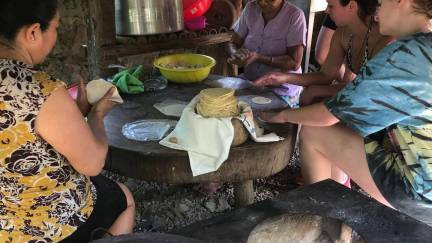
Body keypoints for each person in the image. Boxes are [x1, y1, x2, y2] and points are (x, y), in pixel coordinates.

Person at [258, 0, 432, 225]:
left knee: (313, 132)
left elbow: (329, 115)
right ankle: (338, 207)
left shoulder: (406, 55)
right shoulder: (424, 46)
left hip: (421, 191)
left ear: (400, 2)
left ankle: (324, 222)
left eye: (380, 2)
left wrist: (279, 116)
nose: (376, 11)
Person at [0, 0, 135, 241]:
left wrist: (72, 115)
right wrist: (96, 116)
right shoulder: (39, 89)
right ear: (33, 32)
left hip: (4, 219)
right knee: (124, 197)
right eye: (55, 28)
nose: (56, 35)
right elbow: (92, 164)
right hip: (45, 227)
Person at [254, 0, 393, 106]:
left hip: (383, 105)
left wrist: (318, 91)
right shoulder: (342, 33)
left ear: (351, 6)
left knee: (313, 97)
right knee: (310, 96)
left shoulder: (385, 39)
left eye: (331, 5)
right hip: (363, 95)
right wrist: (283, 77)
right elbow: (326, 75)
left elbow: (368, 89)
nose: (327, 11)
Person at [227, 0, 307, 107]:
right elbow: (232, 43)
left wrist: (259, 58)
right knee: (220, 101)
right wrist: (236, 54)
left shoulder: (295, 15)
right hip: (250, 82)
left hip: (282, 89)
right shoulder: (251, 8)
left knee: (246, 112)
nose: (262, 3)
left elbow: (294, 62)